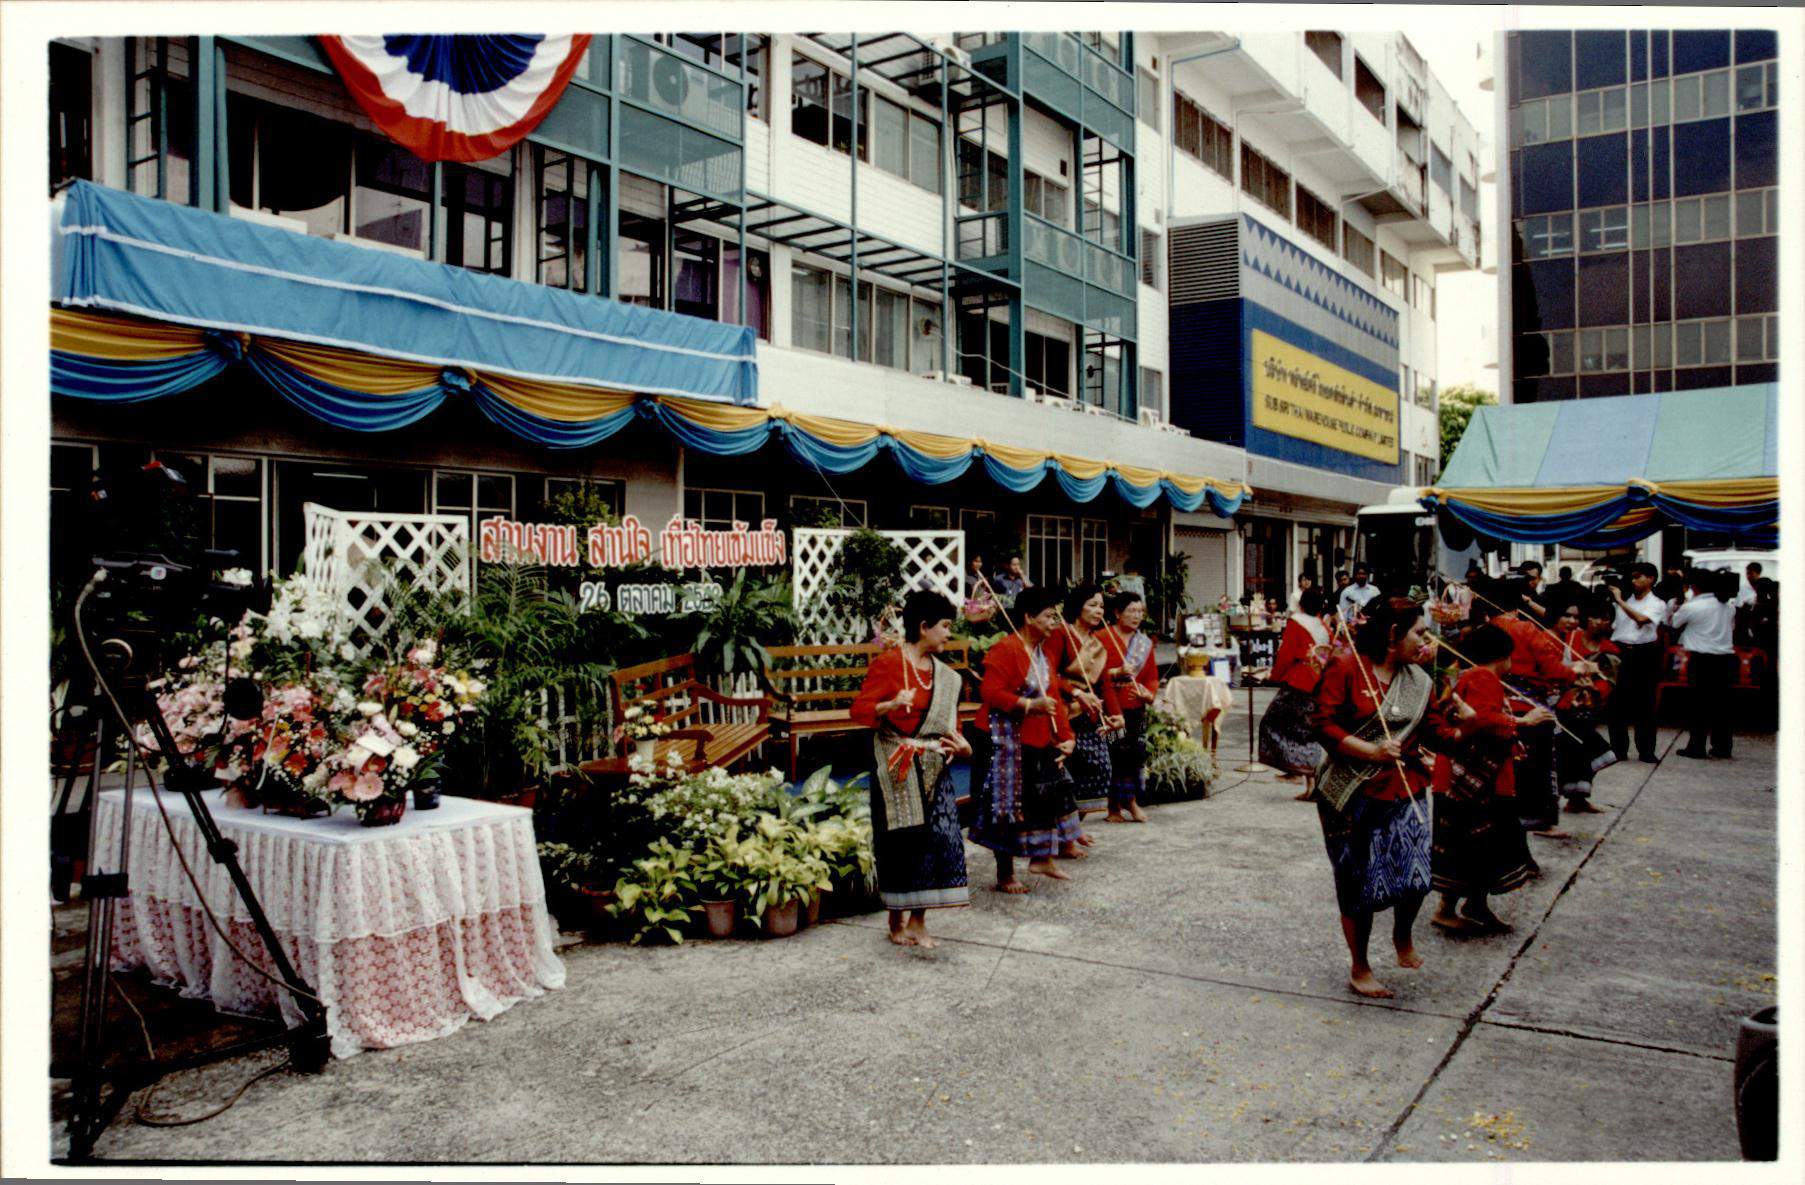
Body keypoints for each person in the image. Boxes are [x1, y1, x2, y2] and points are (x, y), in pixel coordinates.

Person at [1313, 597, 1438, 999]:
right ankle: (1360, 965)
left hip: (1407, 787)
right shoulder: (1347, 666)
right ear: (1392, 634)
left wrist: (1467, 727)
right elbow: (1322, 724)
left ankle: (1403, 936)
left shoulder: (1418, 678)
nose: (1425, 639)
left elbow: (1434, 729)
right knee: (1357, 884)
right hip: (1353, 791)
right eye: (1419, 632)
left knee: (1417, 876)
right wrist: (1370, 751)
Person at [849, 591, 973, 947]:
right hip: (897, 767)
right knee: (901, 843)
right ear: (924, 627)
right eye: (945, 626)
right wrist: (889, 704)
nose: (949, 634)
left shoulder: (947, 676)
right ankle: (896, 920)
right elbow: (859, 711)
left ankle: (920, 921)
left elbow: (951, 722)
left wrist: (963, 745)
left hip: (935, 765)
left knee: (941, 838)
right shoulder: (889, 664)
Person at [1428, 623, 1544, 934]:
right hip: (1473, 780)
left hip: (1466, 776)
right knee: (1474, 842)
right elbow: (1484, 720)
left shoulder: (1467, 675)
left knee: (1478, 844)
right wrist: (1523, 720)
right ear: (1503, 657)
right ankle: (1448, 908)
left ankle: (1474, 904)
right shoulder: (1483, 678)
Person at [970, 585, 1079, 892]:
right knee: (1004, 804)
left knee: (1045, 794)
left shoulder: (1044, 654)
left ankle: (1042, 857)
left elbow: (1054, 698)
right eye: (1048, 616)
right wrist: (1029, 705)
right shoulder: (1006, 649)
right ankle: (1005, 873)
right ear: (1029, 617)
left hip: (1036, 736)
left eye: (1055, 615)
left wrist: (1066, 736)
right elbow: (989, 692)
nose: (1054, 621)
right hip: (1000, 738)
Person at [1488, 580, 1599, 837]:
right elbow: (1552, 670)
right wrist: (1577, 671)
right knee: (1535, 766)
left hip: (1498, 703)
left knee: (1508, 768)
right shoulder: (1525, 629)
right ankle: (1538, 820)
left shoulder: (1486, 629)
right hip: (1529, 706)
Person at [1044, 585, 1121, 849]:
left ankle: (1072, 829)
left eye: (1101, 605)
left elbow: (1104, 684)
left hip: (1088, 715)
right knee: (1064, 779)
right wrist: (1075, 692)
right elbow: (1049, 674)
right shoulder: (1060, 636)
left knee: (1099, 770)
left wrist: (1116, 715)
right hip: (1062, 714)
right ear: (1077, 606)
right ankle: (1065, 837)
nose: (1098, 610)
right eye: (1092, 604)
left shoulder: (1098, 643)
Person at [1259, 587, 1334, 797]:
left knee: (1272, 722)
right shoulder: (1324, 627)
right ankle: (1310, 783)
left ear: (1301, 604)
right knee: (1308, 731)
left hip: (1299, 681)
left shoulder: (1296, 623)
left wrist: (1274, 676)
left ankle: (1295, 770)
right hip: (1319, 682)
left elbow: (1286, 654)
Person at [1551, 598, 1620, 812]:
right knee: (1575, 752)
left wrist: (1592, 689)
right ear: (1587, 619)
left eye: (1607, 620)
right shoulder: (1567, 639)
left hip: (1588, 706)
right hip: (1561, 705)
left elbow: (1610, 680)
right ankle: (1571, 800)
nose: (1601, 623)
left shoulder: (1611, 650)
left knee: (1587, 752)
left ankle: (1578, 799)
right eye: (1597, 617)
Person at [1098, 588, 1159, 824]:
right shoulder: (1102, 638)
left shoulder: (1144, 643)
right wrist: (1116, 673)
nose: (1137, 616)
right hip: (1112, 709)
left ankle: (1130, 800)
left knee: (1135, 755)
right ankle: (1116, 805)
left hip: (1136, 708)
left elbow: (1152, 677)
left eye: (1140, 611)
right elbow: (1095, 674)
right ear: (1117, 613)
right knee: (1115, 754)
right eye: (1131, 611)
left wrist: (1148, 693)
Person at [1671, 569, 1739, 760]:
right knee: (1722, 707)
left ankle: (1696, 746)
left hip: (1701, 660)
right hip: (1725, 659)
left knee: (1698, 706)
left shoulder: (1693, 607)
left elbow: (1674, 623)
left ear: (1694, 586)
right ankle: (1723, 747)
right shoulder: (1729, 606)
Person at [1606, 562, 1667, 764]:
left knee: (1645, 703)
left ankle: (1646, 750)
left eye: (1638, 576)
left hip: (1643, 653)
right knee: (1616, 703)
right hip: (1620, 651)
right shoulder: (1623, 601)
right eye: (1631, 577)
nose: (1633, 581)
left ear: (1650, 578)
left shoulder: (1656, 603)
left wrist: (1620, 600)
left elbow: (1641, 619)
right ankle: (1619, 749)